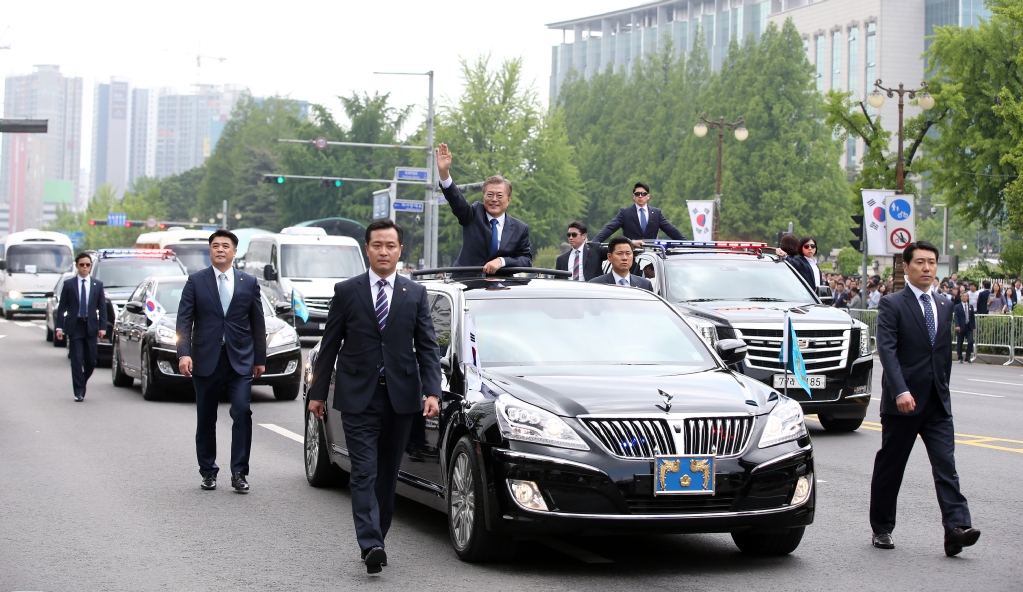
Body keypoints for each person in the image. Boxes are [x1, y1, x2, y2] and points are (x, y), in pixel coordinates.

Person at [307, 219, 441, 575]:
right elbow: (330, 345)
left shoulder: (414, 294)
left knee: (387, 474)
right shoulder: (347, 291)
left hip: (401, 398)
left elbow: (427, 347)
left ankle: (377, 537)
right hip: (357, 397)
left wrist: (432, 391)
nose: (384, 251)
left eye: (390, 246)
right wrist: (317, 393)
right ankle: (370, 543)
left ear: (400, 251)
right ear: (367, 249)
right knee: (363, 471)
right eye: (377, 245)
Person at [870, 240, 979, 556]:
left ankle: (956, 529)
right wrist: (900, 390)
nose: (927, 268)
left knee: (947, 465)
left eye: (932, 262)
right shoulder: (893, 304)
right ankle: (881, 527)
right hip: (903, 403)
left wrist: (943, 390)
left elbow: (941, 355)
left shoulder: (945, 305)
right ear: (906, 267)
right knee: (892, 467)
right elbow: (887, 352)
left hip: (936, 404)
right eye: (920, 262)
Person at [176, 230, 267, 493]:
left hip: (239, 360)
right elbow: (184, 320)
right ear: (210, 251)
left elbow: (257, 322)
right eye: (215, 246)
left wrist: (259, 358)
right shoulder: (196, 281)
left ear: (234, 251)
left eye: (225, 246)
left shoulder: (248, 282)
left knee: (241, 411)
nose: (220, 250)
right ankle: (208, 471)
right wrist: (184, 353)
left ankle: (239, 471)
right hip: (206, 360)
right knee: (206, 417)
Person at [435, 143, 531, 275]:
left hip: (501, 288)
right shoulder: (473, 214)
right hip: (466, 284)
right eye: (490, 194)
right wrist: (444, 173)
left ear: (508, 200)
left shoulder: (520, 228)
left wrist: (501, 261)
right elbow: (456, 200)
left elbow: (525, 260)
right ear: (484, 196)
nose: (494, 199)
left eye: (499, 195)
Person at [54, 253, 107, 402]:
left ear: (91, 267)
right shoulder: (69, 284)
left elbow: (102, 308)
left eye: (87, 265)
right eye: (82, 265)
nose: (85, 267)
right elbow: (62, 307)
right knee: (77, 360)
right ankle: (79, 391)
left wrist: (102, 327)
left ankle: (81, 382)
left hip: (90, 326)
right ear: (77, 266)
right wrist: (59, 327)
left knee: (91, 361)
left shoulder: (97, 285)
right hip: (75, 326)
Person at [592, 182, 686, 246]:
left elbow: (671, 230)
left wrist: (686, 243)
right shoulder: (625, 213)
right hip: (631, 253)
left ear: (648, 196)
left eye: (643, 194)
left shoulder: (656, 213)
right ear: (633, 196)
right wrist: (594, 242)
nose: (640, 196)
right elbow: (609, 228)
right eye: (637, 194)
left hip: (651, 254)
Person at [588, 236, 654, 291]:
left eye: (628, 253)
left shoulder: (645, 285)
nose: (624, 258)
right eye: (620, 254)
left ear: (633, 256)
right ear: (609, 257)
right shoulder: (595, 285)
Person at [953, 291, 976, 363]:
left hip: (968, 326)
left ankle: (968, 356)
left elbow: (972, 317)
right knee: (960, 342)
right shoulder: (957, 306)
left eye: (966, 296)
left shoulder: (970, 306)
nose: (965, 297)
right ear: (961, 297)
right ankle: (960, 357)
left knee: (970, 341)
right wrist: (957, 325)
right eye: (963, 296)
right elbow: (956, 317)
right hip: (961, 326)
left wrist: (974, 327)